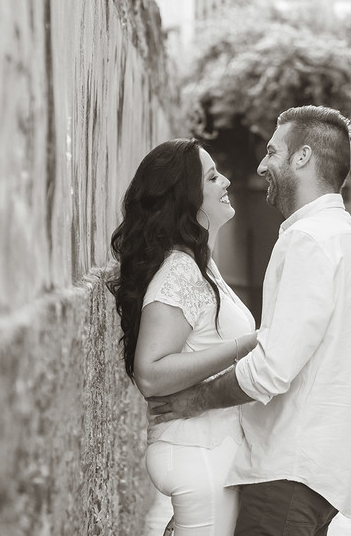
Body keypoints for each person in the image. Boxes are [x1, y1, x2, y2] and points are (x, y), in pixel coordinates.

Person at [150, 106, 351, 536]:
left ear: (302, 158)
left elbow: (271, 370)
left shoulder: (307, 240)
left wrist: (194, 400)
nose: (262, 165)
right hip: (322, 476)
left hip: (284, 476)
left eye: (273, 151)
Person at [108, 138, 257, 536]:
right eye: (212, 176)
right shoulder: (180, 271)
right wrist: (247, 344)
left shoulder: (199, 264)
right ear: (186, 198)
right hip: (197, 454)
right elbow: (151, 373)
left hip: (209, 451)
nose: (225, 181)